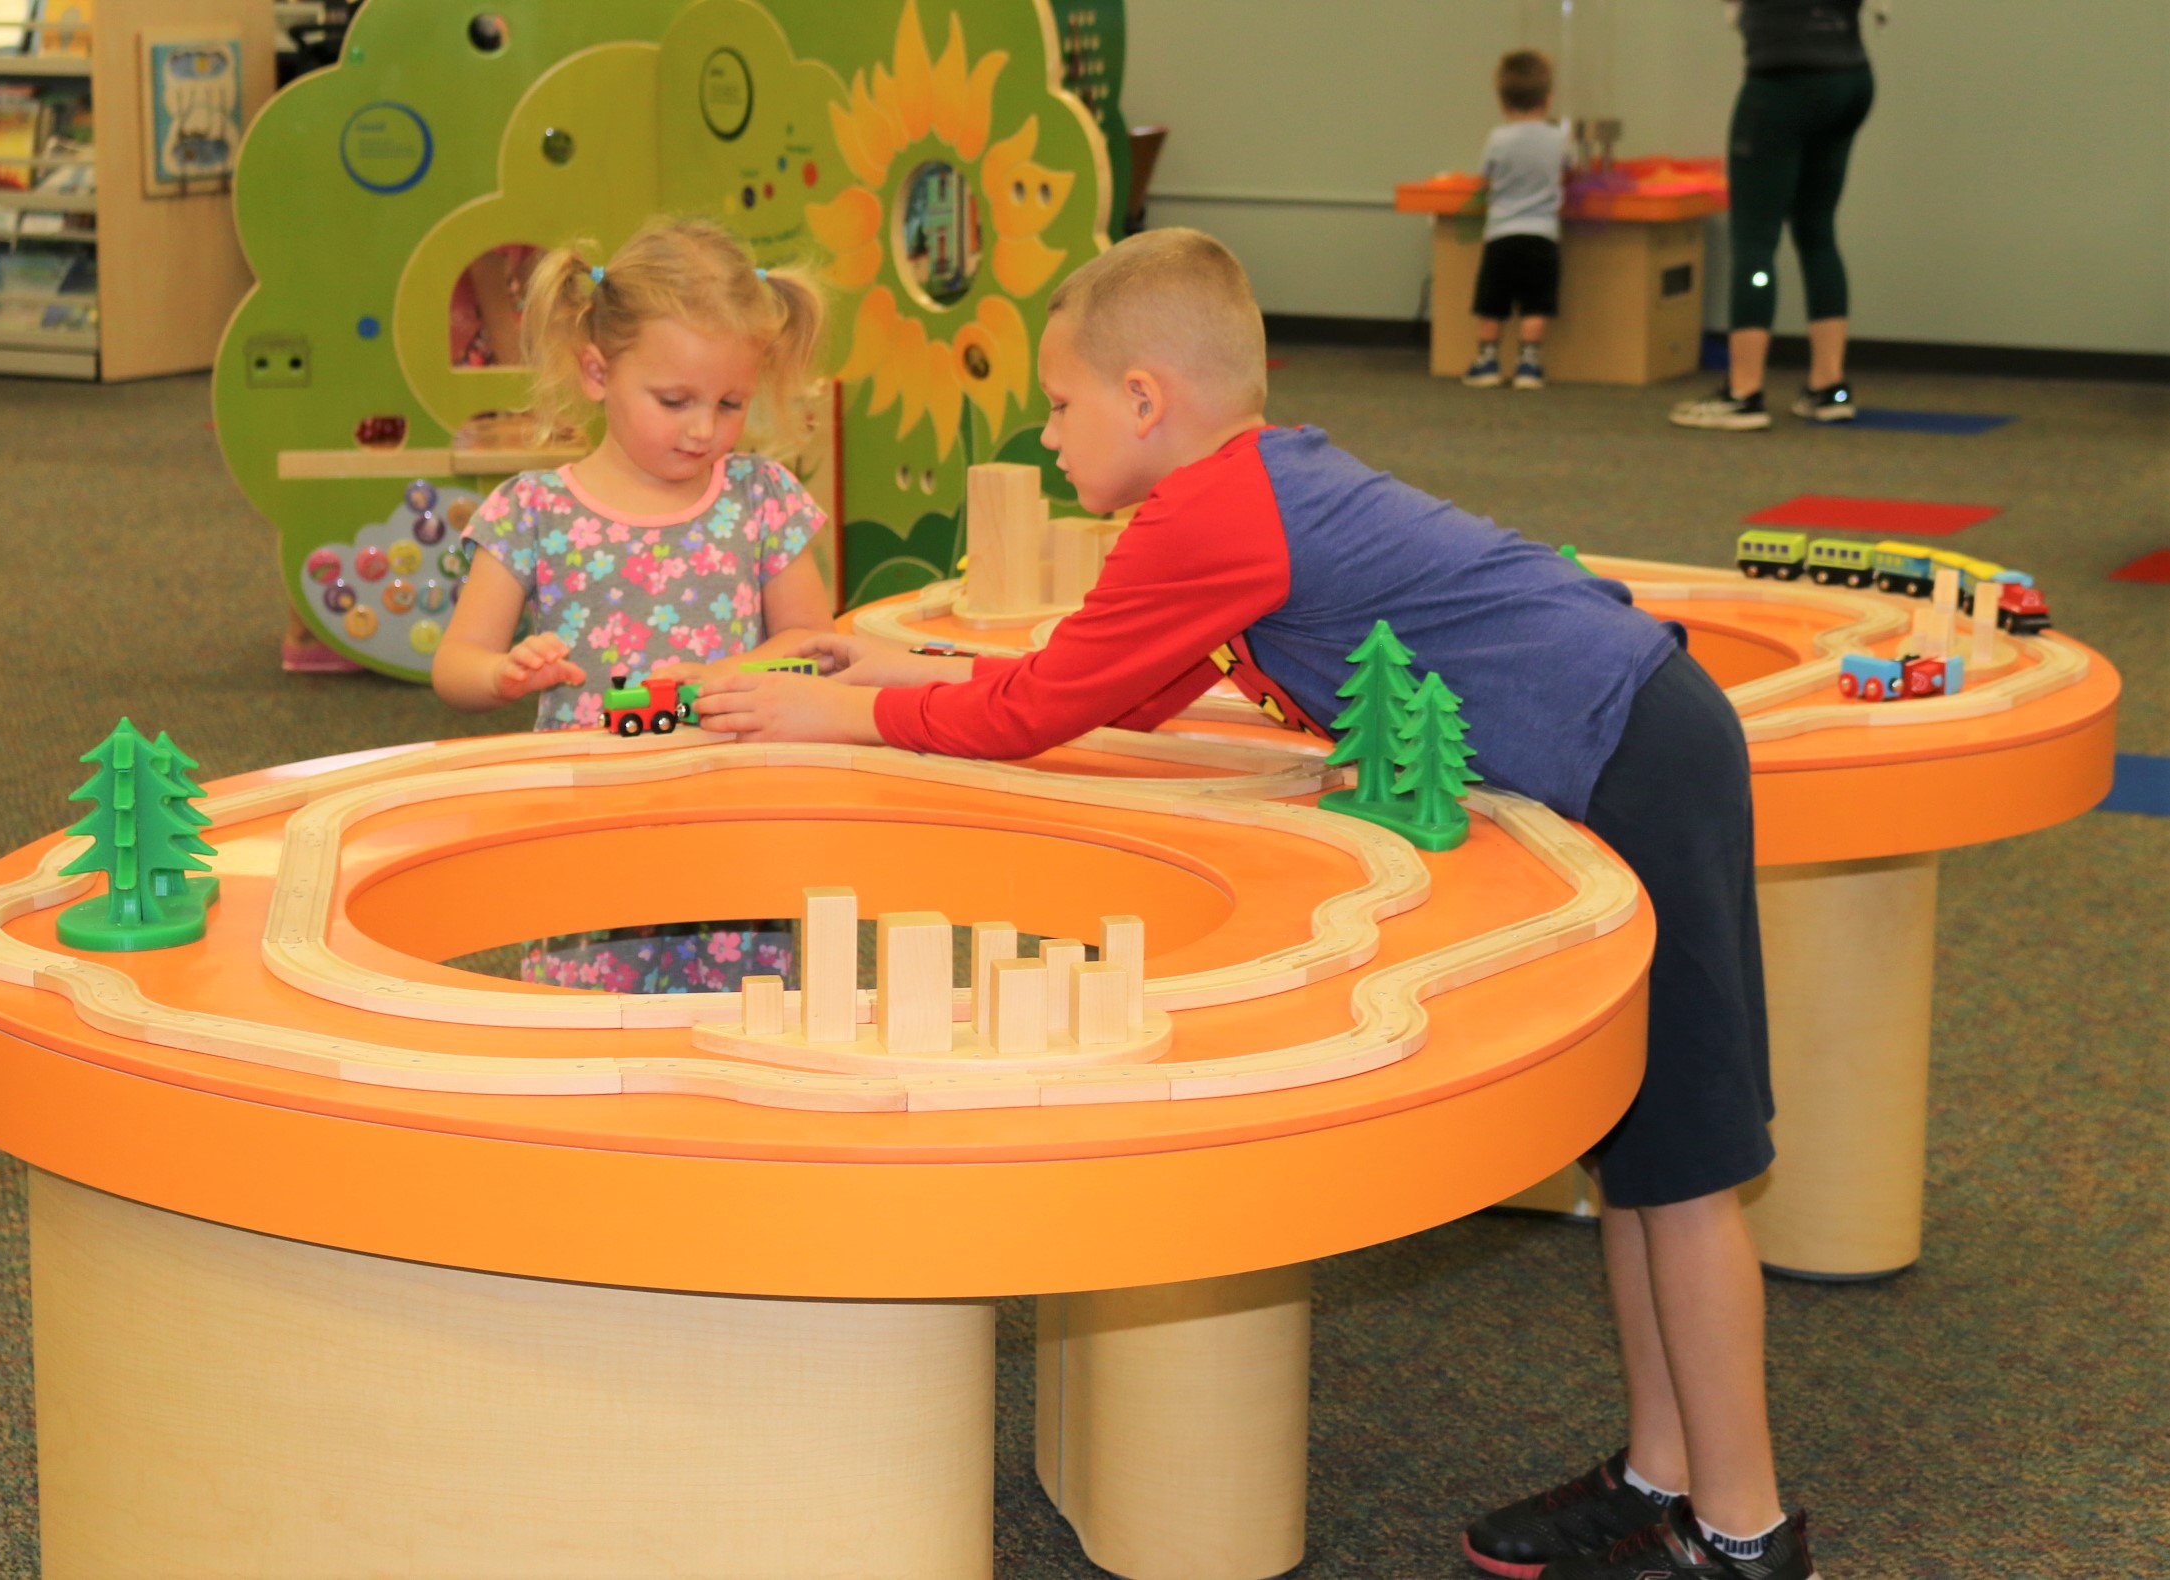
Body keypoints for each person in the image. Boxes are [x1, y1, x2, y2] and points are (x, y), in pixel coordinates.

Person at [699, 229, 1818, 1580]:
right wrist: (916, 657)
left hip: (1636, 747)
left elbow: (1044, 709)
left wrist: (851, 712)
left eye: (1060, 406)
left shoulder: (1207, 512)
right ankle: (1663, 1474)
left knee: (1683, 1171)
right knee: (1636, 1161)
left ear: (1144, 400)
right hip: (1620, 734)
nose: (1049, 437)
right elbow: (1131, 682)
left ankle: (1744, 1533)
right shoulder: (1248, 486)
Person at [431, 216, 832, 991]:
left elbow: (815, 649)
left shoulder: (762, 499)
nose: (703, 429)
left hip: (731, 830)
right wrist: (501, 674)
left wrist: (724, 675)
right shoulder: (534, 510)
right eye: (674, 399)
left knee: (737, 1035)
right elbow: (455, 664)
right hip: (590, 832)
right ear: (595, 372)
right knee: (583, 1047)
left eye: (729, 403)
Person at [1672, 0, 1876, 431]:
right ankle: (1829, 387)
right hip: (1850, 78)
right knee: (1818, 231)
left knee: (1754, 241)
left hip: (1784, 82)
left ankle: (1744, 392)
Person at [1465, 50, 1569, 392]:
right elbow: (1570, 170)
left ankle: (1487, 362)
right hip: (1543, 235)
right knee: (1536, 303)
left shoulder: (1498, 139)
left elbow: (1484, 181)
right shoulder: (1558, 138)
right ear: (1548, 98)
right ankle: (1529, 364)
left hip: (1501, 233)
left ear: (1502, 100)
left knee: (1492, 304)